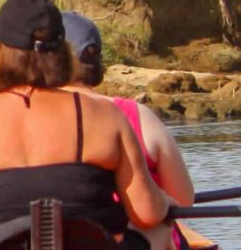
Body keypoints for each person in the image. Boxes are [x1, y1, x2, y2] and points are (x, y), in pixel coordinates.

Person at [0, 0, 173, 250]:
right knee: (160, 223)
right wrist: (166, 203)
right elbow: (147, 214)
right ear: (63, 51)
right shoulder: (105, 117)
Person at [60, 11, 198, 204]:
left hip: (68, 228)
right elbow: (184, 199)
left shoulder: (31, 118)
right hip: (138, 228)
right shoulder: (137, 116)